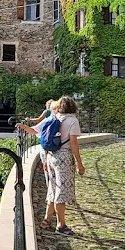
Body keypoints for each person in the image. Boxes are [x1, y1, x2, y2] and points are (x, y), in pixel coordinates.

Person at [40, 95, 85, 235]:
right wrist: (79, 163)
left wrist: (46, 159)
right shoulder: (72, 121)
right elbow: (73, 143)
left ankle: (46, 220)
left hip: (52, 156)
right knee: (61, 190)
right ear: (73, 107)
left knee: (53, 188)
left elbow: (47, 138)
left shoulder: (54, 117)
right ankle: (61, 225)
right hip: (64, 158)